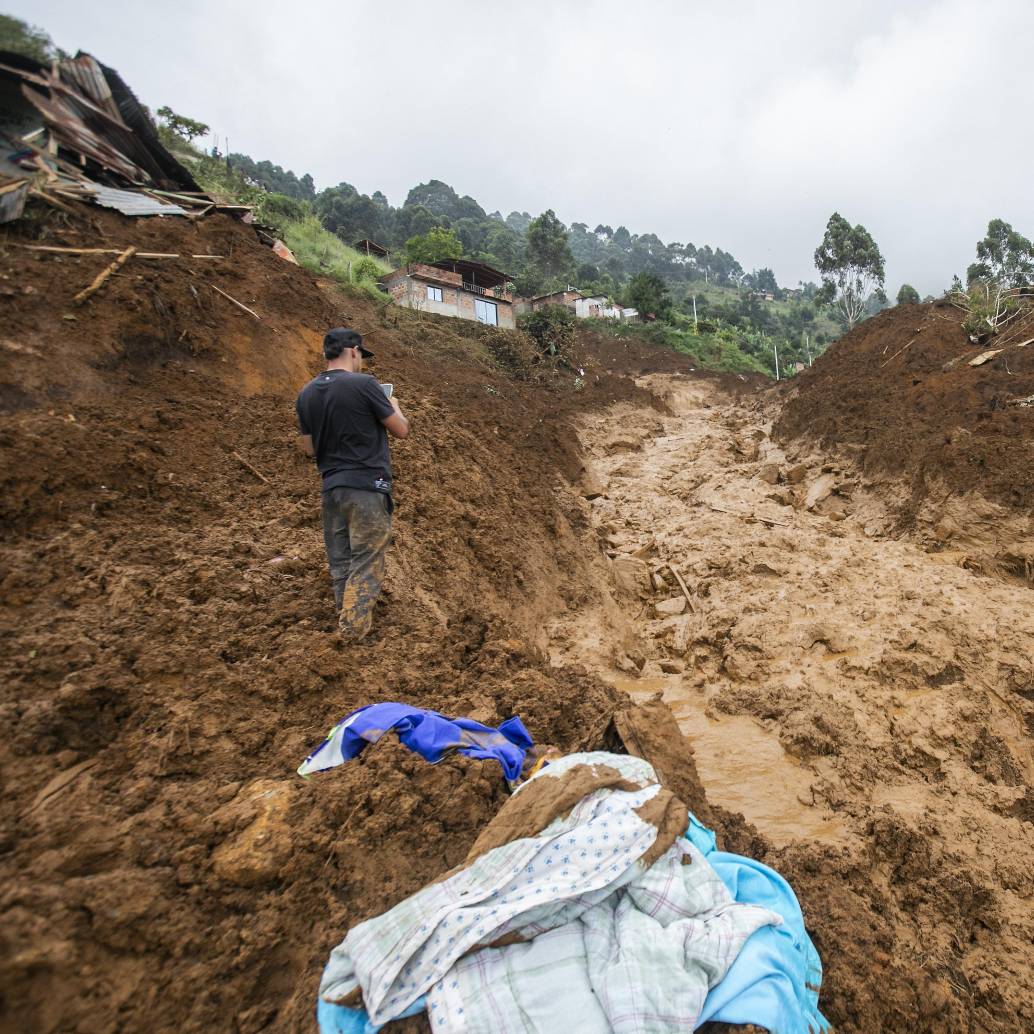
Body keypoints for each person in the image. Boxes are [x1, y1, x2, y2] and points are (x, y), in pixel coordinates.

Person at [296, 328, 410, 639]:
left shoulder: (305, 394)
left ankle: (346, 633)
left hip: (331, 488)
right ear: (354, 351)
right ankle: (351, 635)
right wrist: (394, 403)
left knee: (341, 564)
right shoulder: (365, 385)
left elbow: (308, 449)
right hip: (366, 487)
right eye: (361, 356)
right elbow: (400, 429)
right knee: (366, 560)